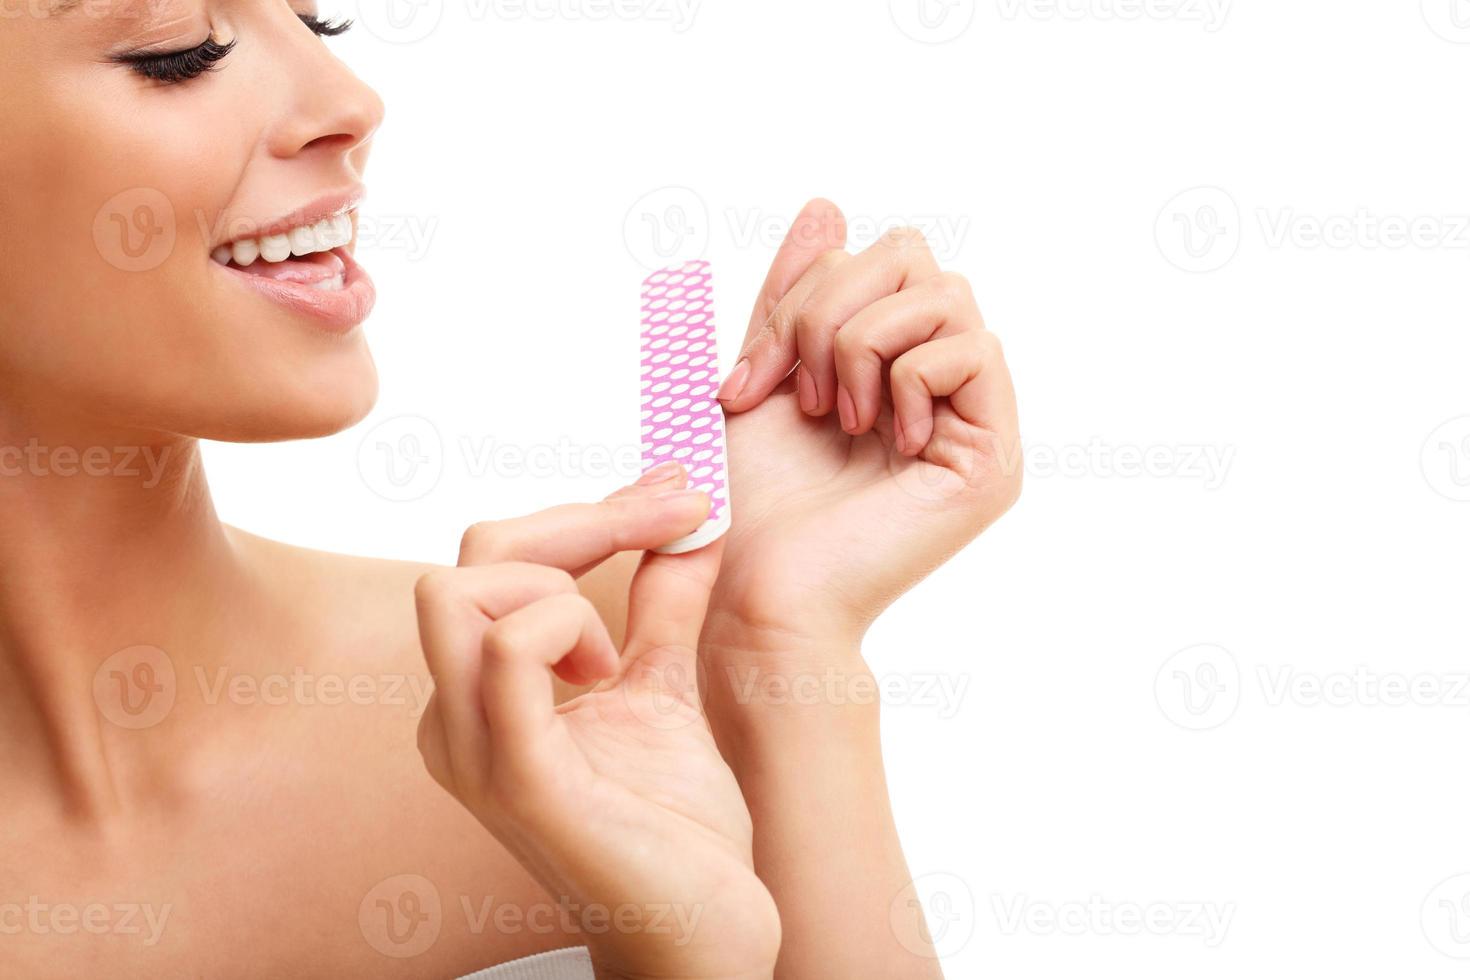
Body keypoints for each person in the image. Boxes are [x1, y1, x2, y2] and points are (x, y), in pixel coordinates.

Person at [0, 2, 1020, 976]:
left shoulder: (619, 676)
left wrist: (781, 650)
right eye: (179, 49)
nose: (350, 99)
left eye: (317, 21)